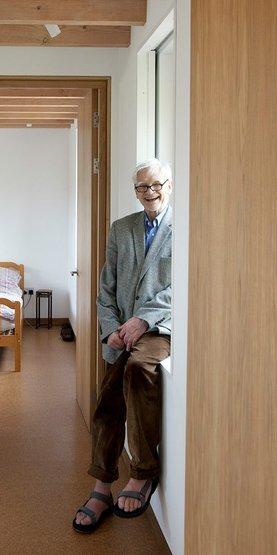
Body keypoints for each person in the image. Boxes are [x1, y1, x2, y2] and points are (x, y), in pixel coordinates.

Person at [72, 158, 173, 533]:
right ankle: (101, 486)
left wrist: (142, 319)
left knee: (136, 370)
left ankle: (144, 472)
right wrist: (111, 328)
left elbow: (179, 288)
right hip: (122, 331)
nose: (149, 193)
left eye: (156, 185)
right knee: (107, 401)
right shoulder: (121, 229)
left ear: (169, 185)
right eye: (141, 188)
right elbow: (106, 288)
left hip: (158, 329)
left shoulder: (185, 229)